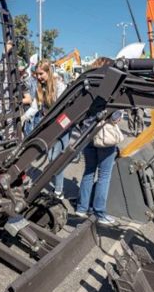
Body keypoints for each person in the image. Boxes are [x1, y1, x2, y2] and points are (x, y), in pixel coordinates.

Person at [21, 60, 68, 198]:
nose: (38, 77)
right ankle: (56, 188)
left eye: (41, 74)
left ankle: (59, 191)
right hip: (49, 126)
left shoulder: (59, 86)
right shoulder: (40, 88)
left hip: (61, 126)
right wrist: (24, 117)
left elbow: (63, 107)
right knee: (52, 158)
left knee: (55, 159)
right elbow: (35, 106)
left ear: (48, 72)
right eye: (37, 74)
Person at [76, 110, 124, 225]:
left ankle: (81, 208)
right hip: (105, 137)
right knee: (104, 176)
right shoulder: (110, 98)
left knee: (89, 172)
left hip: (88, 134)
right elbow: (114, 117)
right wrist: (120, 115)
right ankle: (99, 212)